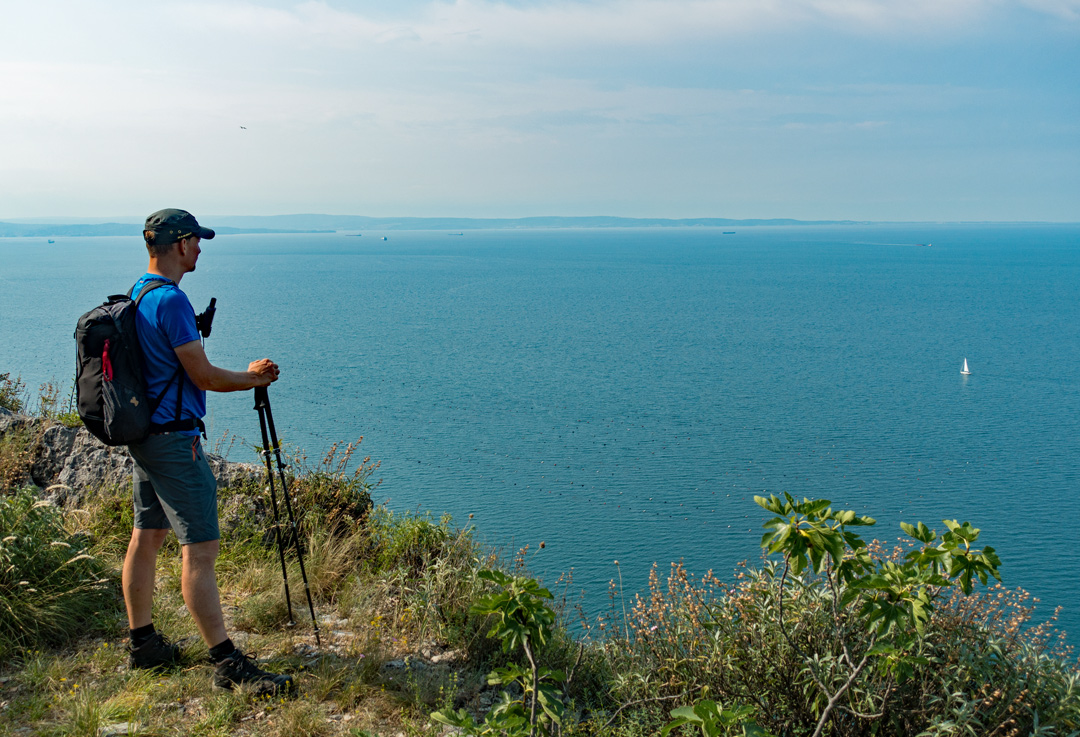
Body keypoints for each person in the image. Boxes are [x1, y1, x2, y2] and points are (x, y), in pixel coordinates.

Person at [123, 208, 295, 696]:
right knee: (200, 550)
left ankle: (143, 643)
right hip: (175, 442)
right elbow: (205, 377)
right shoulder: (172, 301)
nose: (200, 248)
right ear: (179, 244)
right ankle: (226, 662)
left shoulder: (139, 292)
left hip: (144, 436)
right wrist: (255, 378)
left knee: (146, 535)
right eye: (196, 240)